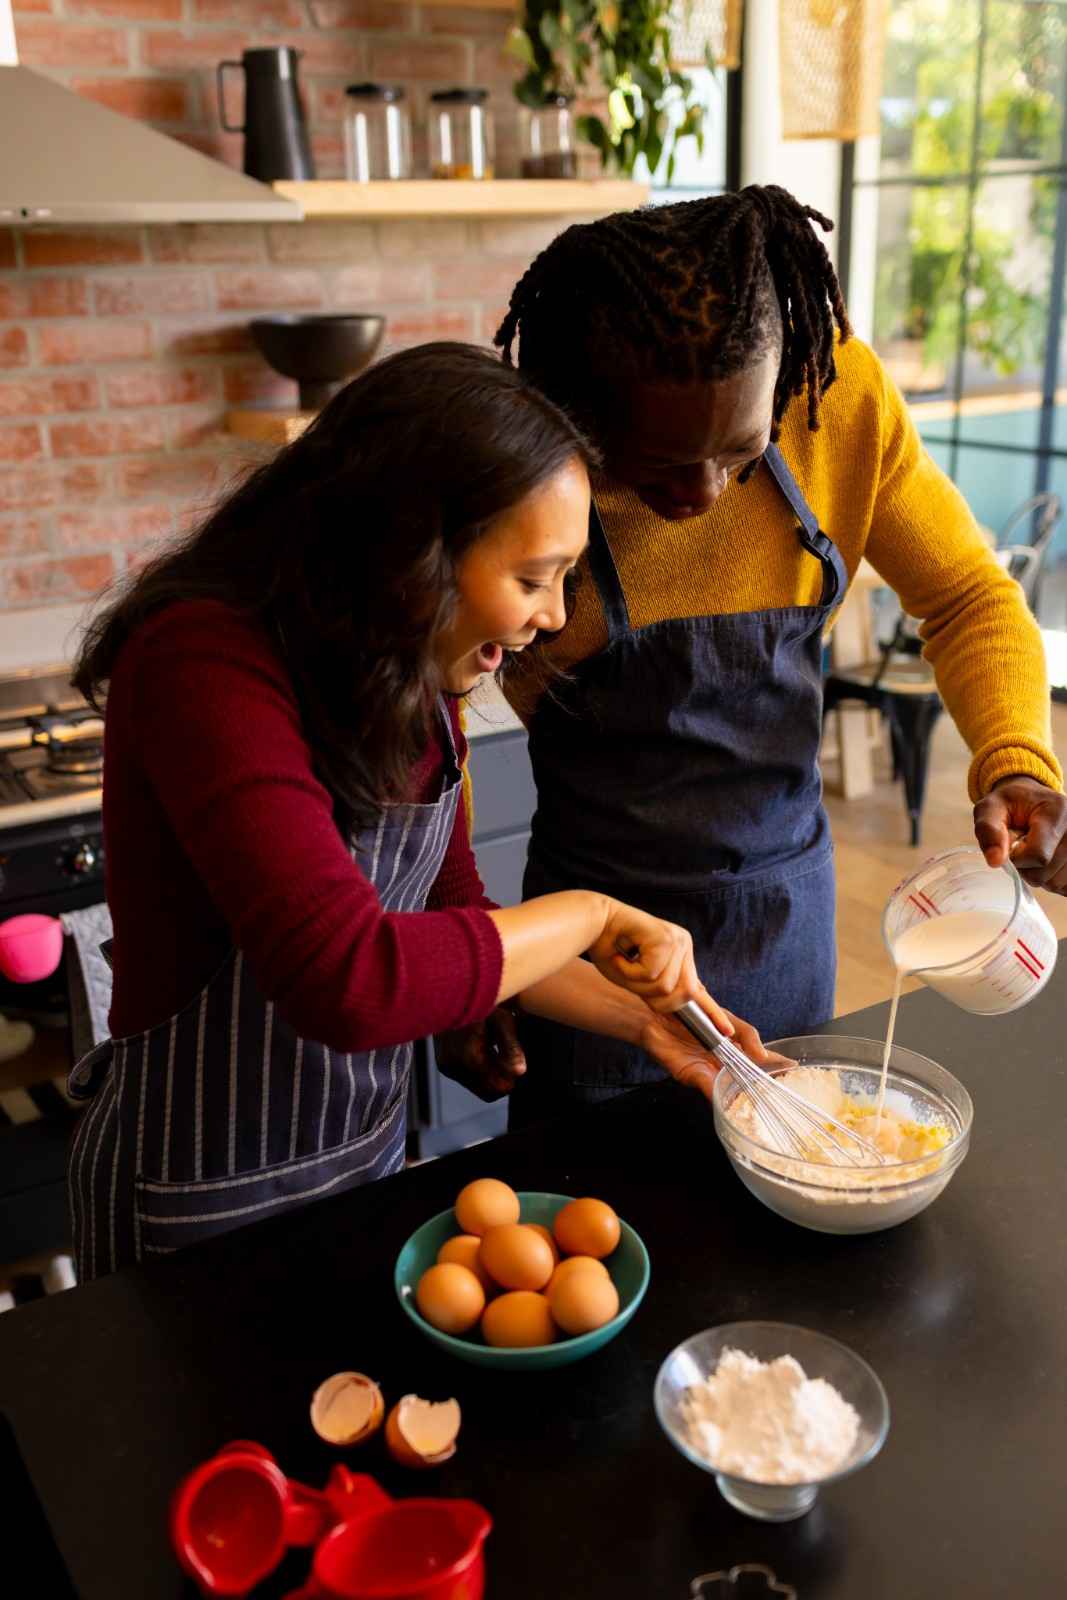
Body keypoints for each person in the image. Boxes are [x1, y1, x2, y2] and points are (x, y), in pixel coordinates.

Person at [66, 343, 765, 1283]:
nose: (553, 617)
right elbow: (348, 981)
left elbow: (455, 924)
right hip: (194, 1198)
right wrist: (593, 914)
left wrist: (647, 1025)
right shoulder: (202, 663)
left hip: (360, 1163)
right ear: (410, 553)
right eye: (532, 578)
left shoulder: (409, 670)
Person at [468, 184, 1066, 1127]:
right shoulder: (526, 466)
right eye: (655, 466)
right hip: (595, 966)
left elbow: (964, 596)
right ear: (575, 414)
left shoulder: (838, 401)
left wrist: (1015, 758)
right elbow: (420, 725)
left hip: (784, 923)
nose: (703, 493)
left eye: (740, 455)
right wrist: (482, 960)